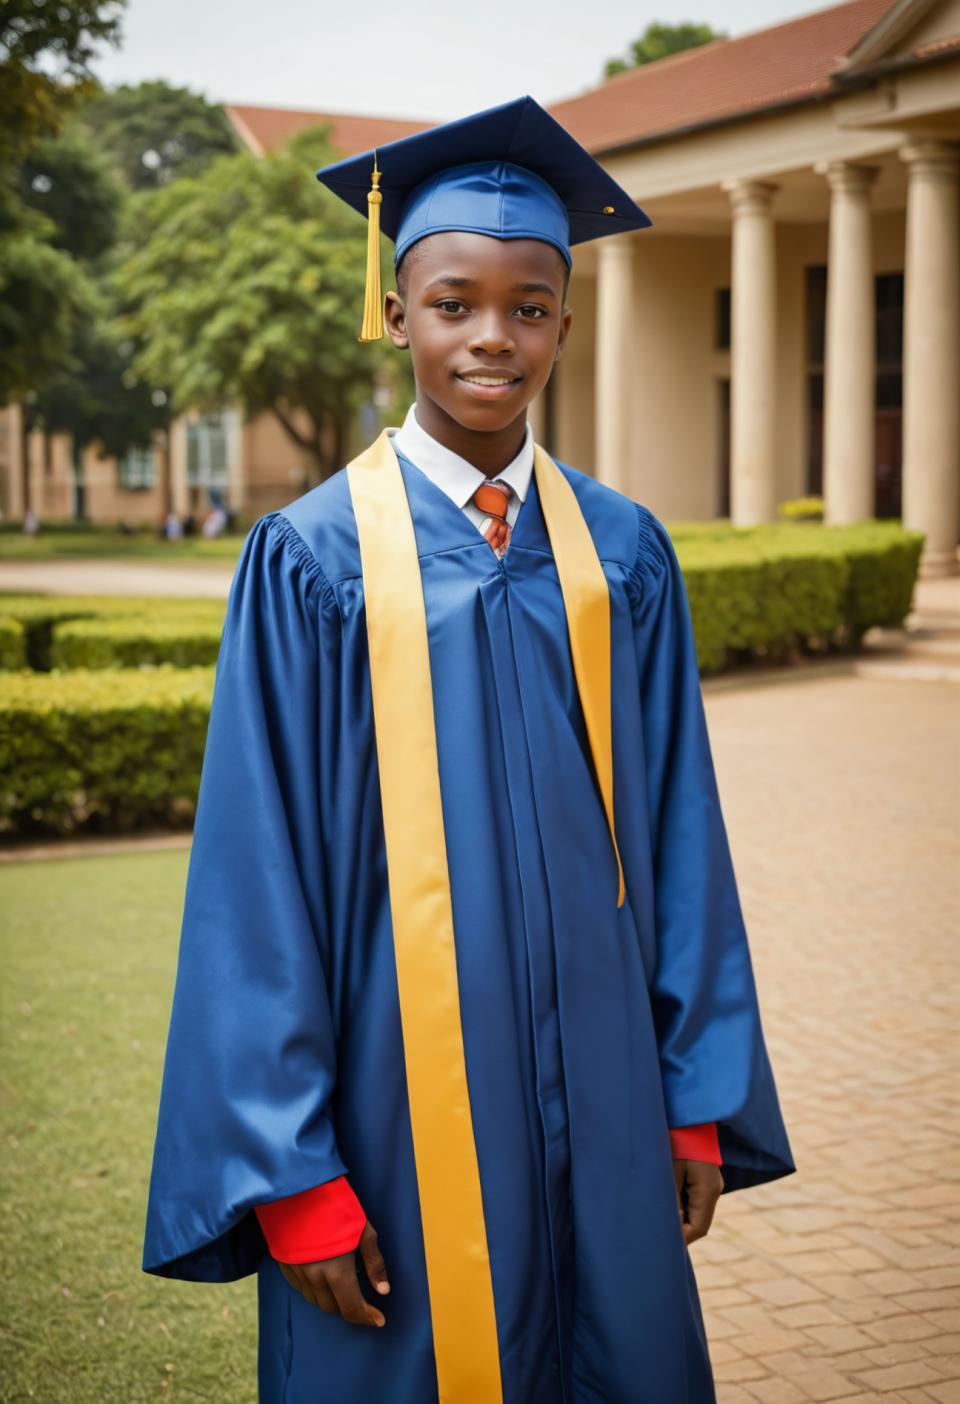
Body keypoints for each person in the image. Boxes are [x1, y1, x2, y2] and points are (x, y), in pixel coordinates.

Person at [142, 94, 796, 1404]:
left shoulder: (620, 557)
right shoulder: (314, 562)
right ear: (395, 313)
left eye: (531, 305)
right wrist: (296, 1176)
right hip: (394, 1102)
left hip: (610, 1093)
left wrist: (692, 1096)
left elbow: (681, 841)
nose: (493, 336)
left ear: (564, 319)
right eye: (453, 302)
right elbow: (254, 885)